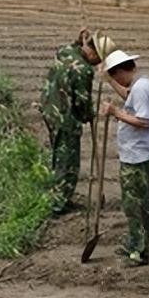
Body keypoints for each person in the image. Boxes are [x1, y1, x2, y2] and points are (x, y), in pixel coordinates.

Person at [103, 49, 149, 267]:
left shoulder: (139, 90)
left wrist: (115, 113)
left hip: (137, 158)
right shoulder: (143, 84)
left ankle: (140, 251)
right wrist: (109, 82)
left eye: (115, 76)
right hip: (141, 154)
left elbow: (143, 120)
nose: (117, 80)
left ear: (121, 71)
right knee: (138, 204)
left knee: (135, 206)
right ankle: (137, 243)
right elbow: (129, 96)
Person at [39, 28, 103, 216]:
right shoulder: (83, 70)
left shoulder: (65, 51)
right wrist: (90, 115)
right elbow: (82, 103)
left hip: (50, 110)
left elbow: (71, 46)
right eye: (98, 58)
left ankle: (60, 196)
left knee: (58, 156)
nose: (98, 64)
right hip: (65, 118)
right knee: (68, 162)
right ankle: (58, 204)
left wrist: (79, 39)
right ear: (92, 52)